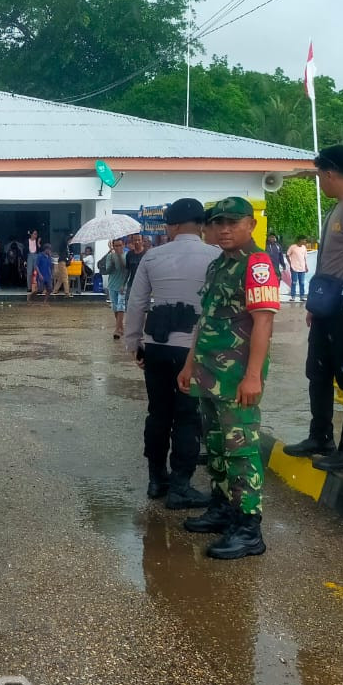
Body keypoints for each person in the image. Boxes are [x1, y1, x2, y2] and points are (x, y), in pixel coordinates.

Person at [177, 197, 279, 559]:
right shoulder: (219, 265)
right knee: (217, 447)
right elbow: (205, 320)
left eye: (232, 222)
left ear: (250, 225)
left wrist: (253, 376)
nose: (223, 229)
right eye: (217, 222)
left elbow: (263, 321)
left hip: (237, 377)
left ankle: (249, 527)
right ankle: (223, 509)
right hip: (209, 373)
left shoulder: (258, 264)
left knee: (241, 450)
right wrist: (190, 364)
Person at [283, 145, 343, 471]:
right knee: (319, 371)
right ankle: (320, 436)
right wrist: (314, 305)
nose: (319, 182)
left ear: (329, 172)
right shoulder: (337, 207)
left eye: (319, 175)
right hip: (327, 305)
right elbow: (329, 262)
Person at [123, 198, 219, 508]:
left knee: (158, 413)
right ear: (201, 225)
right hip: (195, 350)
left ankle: (156, 479)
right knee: (188, 418)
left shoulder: (153, 257)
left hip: (157, 348)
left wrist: (134, 343)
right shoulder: (216, 257)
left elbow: (136, 303)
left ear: (173, 226)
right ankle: (181, 486)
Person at [99, 239, 129, 337]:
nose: (118, 247)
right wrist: (111, 258)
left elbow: (124, 268)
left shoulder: (127, 255)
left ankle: (117, 329)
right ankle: (121, 327)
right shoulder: (110, 256)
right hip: (112, 285)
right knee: (115, 307)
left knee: (121, 306)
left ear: (123, 245)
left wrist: (119, 256)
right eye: (116, 246)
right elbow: (108, 271)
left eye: (120, 245)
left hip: (123, 285)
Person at [286, 237, 309, 302]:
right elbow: (287, 255)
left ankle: (302, 296)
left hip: (302, 268)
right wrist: (290, 264)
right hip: (294, 267)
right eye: (304, 240)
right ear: (300, 240)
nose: (305, 241)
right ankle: (293, 296)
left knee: (302, 283)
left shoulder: (304, 247)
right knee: (294, 282)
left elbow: (304, 258)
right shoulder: (293, 247)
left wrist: (306, 266)